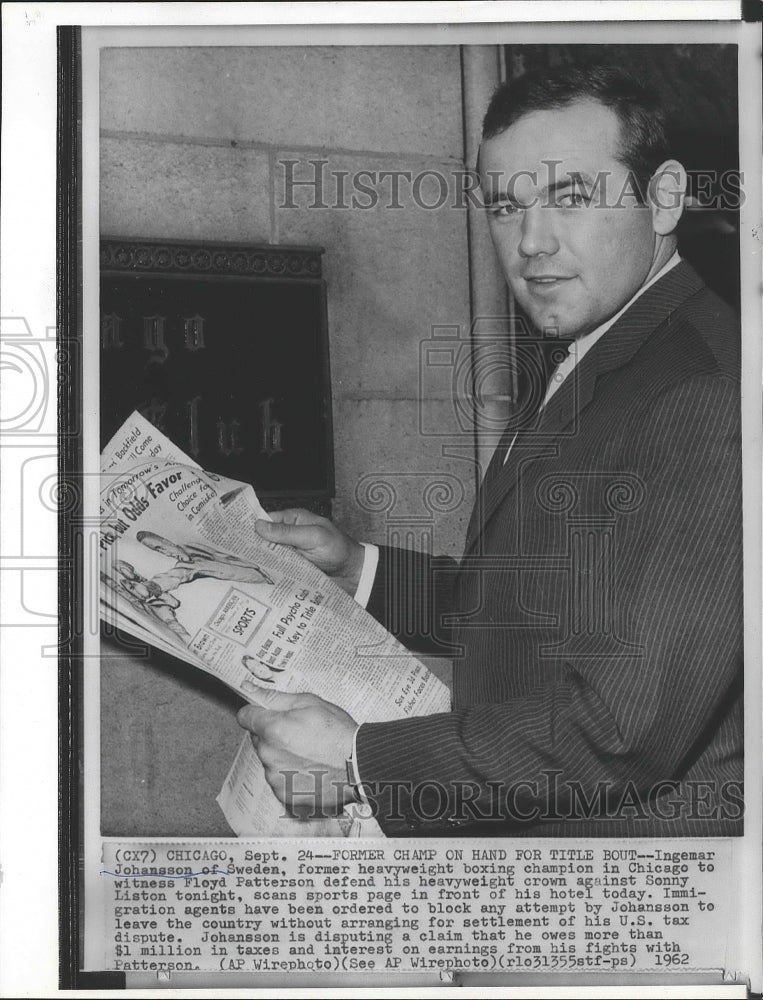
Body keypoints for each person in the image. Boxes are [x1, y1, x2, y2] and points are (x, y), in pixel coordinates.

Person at [237, 65, 743, 836]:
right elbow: (534, 609)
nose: (532, 244)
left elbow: (620, 737)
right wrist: (358, 570)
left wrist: (356, 758)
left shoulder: (708, 391)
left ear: (664, 197)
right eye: (507, 207)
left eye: (570, 196)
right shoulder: (604, 346)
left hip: (635, 904)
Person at [136, 531, 275, 591]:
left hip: (265, 567)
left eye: (160, 547)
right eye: (158, 551)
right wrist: (153, 587)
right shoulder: (184, 567)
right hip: (263, 584)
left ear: (166, 541)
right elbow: (175, 576)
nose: (164, 552)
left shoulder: (193, 546)